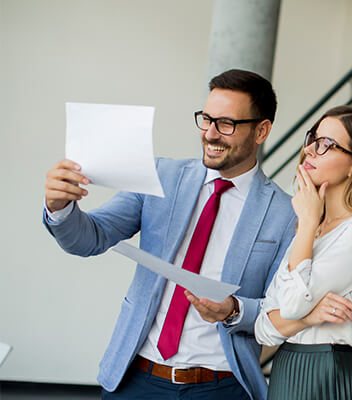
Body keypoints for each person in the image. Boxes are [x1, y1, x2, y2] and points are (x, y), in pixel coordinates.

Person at [43, 69, 296, 400]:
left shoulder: (286, 213)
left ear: (261, 130)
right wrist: (60, 207)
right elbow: (89, 238)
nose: (210, 134)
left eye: (226, 124)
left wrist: (234, 309)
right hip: (136, 381)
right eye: (206, 119)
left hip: (222, 388)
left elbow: (281, 308)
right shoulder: (160, 177)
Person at [254, 106, 352, 399]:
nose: (309, 149)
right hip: (287, 368)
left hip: (327, 371)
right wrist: (308, 319)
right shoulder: (312, 229)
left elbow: (291, 306)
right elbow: (263, 328)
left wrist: (307, 223)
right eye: (313, 138)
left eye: (325, 144)